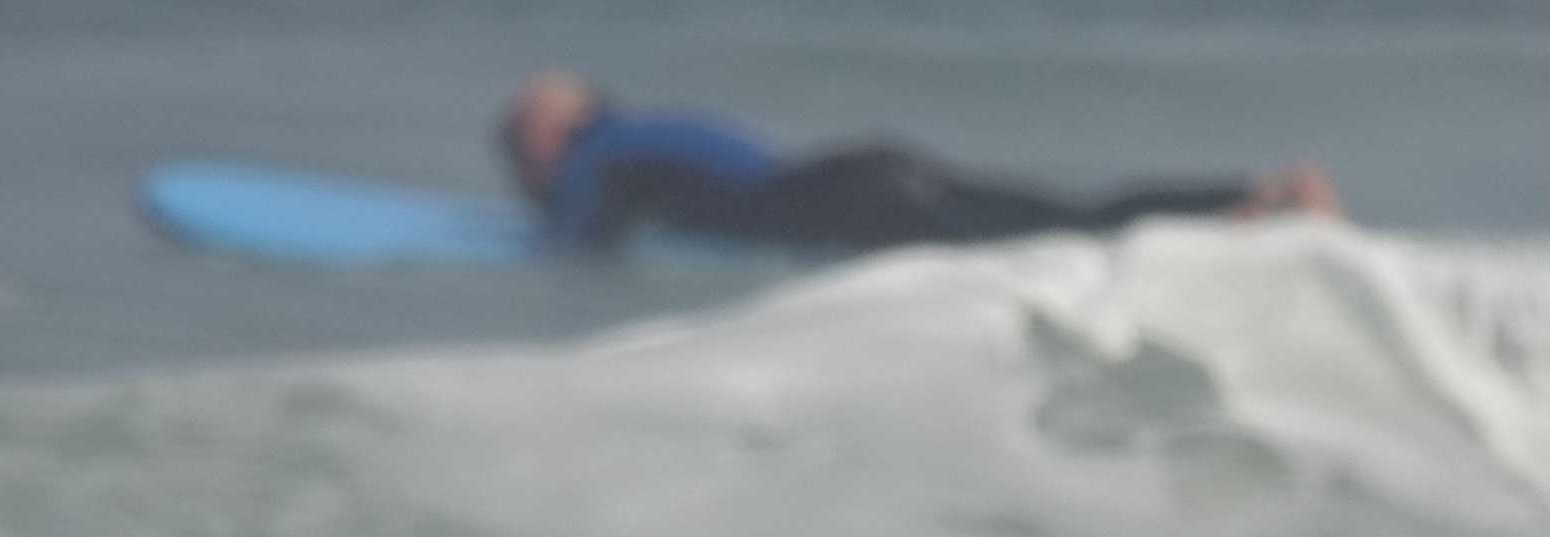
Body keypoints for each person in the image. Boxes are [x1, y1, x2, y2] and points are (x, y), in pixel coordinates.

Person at [489, 74, 1340, 255]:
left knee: (1051, 234)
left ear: (551, 136)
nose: (514, 157)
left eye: (518, 138)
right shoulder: (652, 133)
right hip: (864, 169)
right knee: (1069, 217)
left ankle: (1251, 208)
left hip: (838, 197)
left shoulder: (598, 160)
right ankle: (1257, 194)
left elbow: (584, 249)